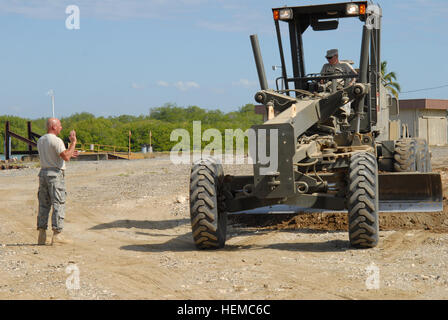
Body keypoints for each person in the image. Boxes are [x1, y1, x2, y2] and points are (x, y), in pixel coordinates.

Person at [36, 118, 79, 245]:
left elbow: (61, 155)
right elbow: (65, 157)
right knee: (58, 203)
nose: (61, 128)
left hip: (43, 173)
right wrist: (73, 142)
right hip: (55, 174)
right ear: (54, 127)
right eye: (59, 126)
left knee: (44, 204)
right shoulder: (56, 140)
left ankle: (42, 235)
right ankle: (57, 235)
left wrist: (69, 152)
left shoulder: (41, 140)